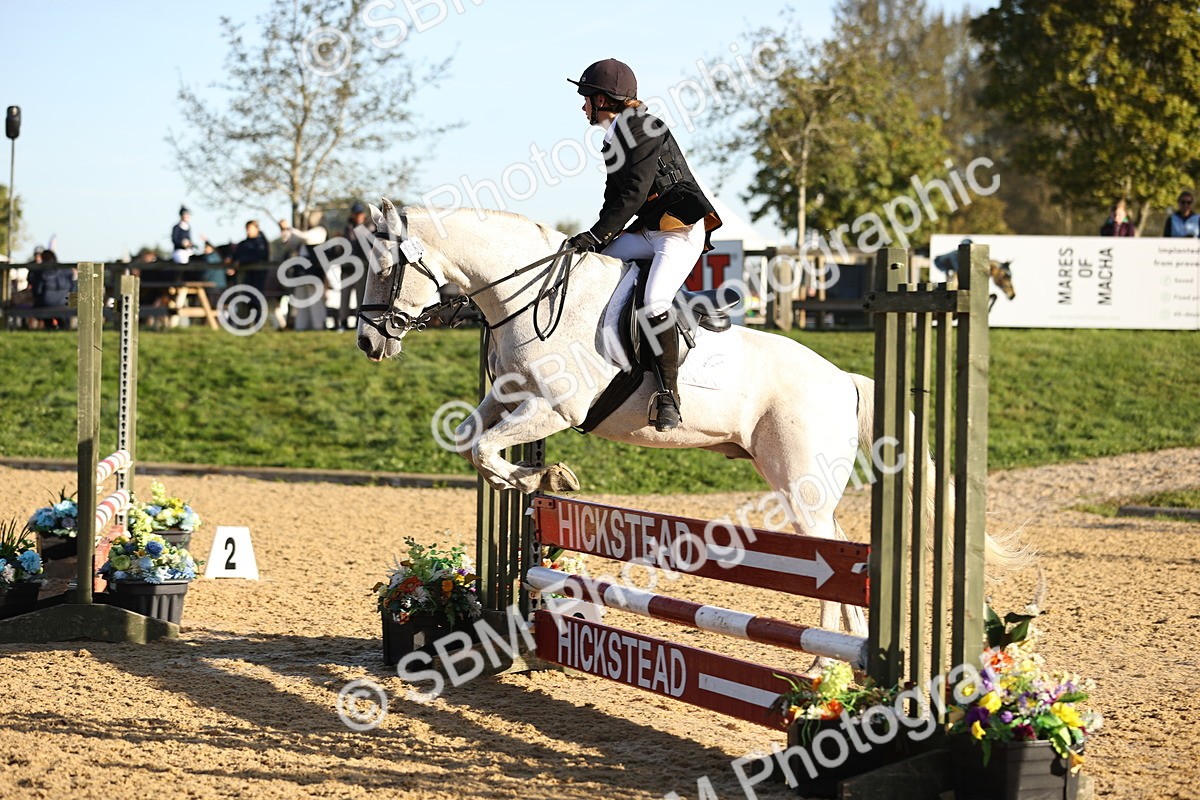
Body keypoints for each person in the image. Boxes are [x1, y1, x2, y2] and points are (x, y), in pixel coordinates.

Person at [565, 58, 722, 432]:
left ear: (602, 99)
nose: (582, 105)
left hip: (678, 232)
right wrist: (593, 240)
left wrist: (599, 235)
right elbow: (612, 199)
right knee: (593, 265)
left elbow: (634, 195)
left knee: (654, 302)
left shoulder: (646, 129)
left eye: (586, 97)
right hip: (647, 231)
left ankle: (669, 395)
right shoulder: (614, 136)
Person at [279, 210, 329, 331]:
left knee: (314, 300)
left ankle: (318, 326)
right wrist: (284, 230)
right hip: (301, 272)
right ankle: (301, 327)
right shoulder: (302, 233)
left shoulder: (320, 231)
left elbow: (306, 238)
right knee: (301, 300)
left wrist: (289, 228)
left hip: (315, 271)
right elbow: (289, 242)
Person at [338, 202, 370, 330]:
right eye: (356, 214)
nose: (358, 216)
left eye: (360, 213)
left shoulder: (368, 229)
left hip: (361, 269)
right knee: (344, 298)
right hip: (346, 269)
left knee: (360, 297)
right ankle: (343, 323)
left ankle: (359, 322)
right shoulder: (347, 229)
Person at [31, 249, 75, 330]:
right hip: (64, 303)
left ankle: (49, 327)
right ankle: (64, 328)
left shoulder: (40, 271)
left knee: (40, 309)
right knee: (64, 321)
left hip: (45, 303)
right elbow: (73, 288)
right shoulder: (67, 270)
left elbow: (37, 290)